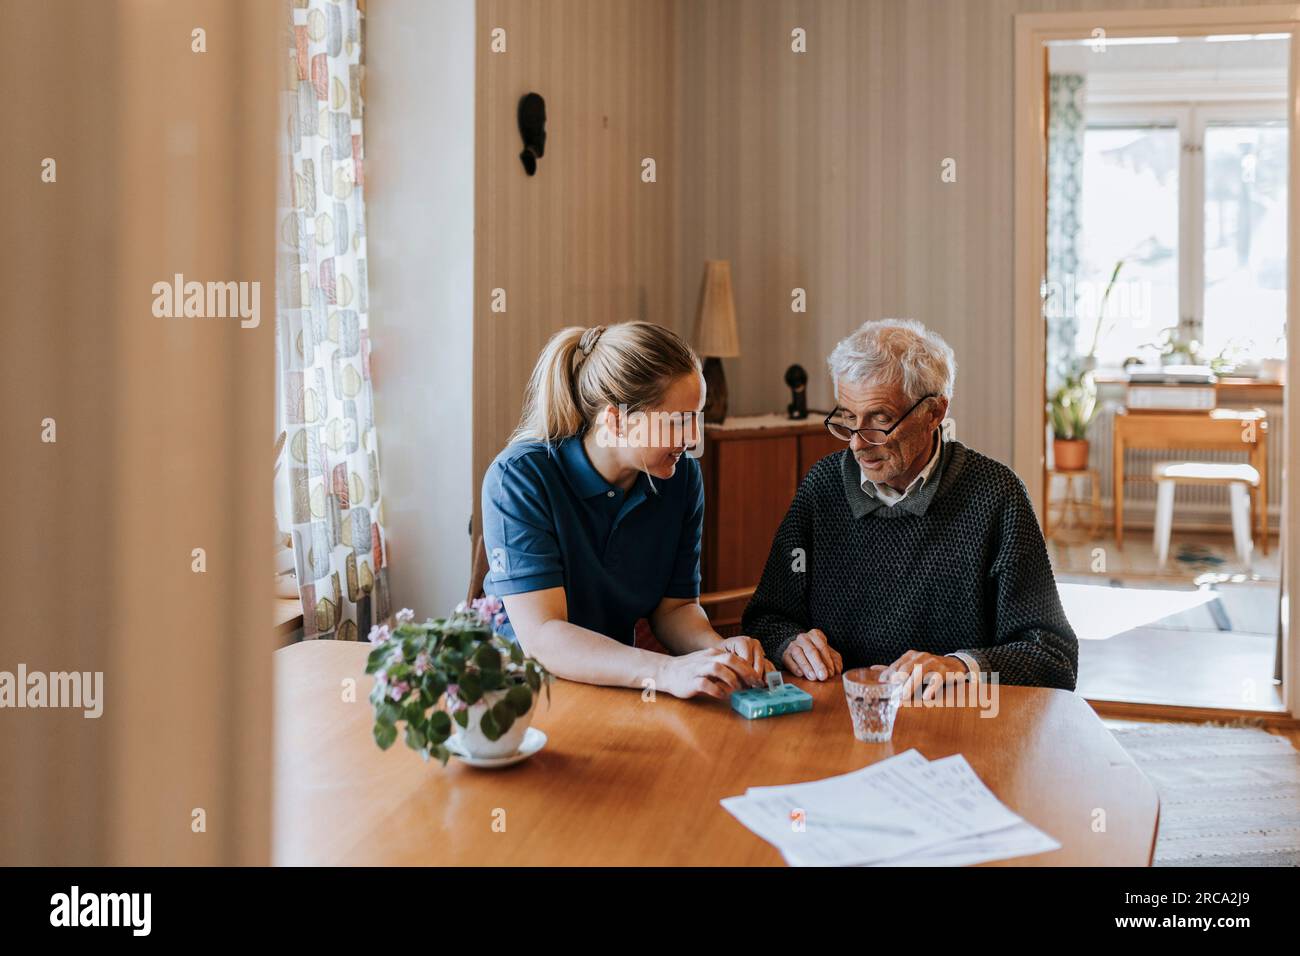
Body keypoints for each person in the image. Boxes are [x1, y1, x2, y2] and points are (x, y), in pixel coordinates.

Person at [742, 318, 1078, 695]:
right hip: (840, 716)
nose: (857, 444)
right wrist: (789, 641)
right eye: (849, 419)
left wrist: (959, 666)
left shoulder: (997, 496)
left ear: (935, 412)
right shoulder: (823, 487)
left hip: (953, 725)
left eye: (879, 420)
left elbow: (1053, 657)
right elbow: (765, 618)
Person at [482, 321, 773, 700]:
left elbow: (676, 610)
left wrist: (716, 651)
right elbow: (543, 635)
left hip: (616, 684)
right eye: (678, 422)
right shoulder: (519, 477)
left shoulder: (681, 478)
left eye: (695, 418)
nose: (694, 439)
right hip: (518, 692)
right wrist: (666, 671)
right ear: (616, 420)